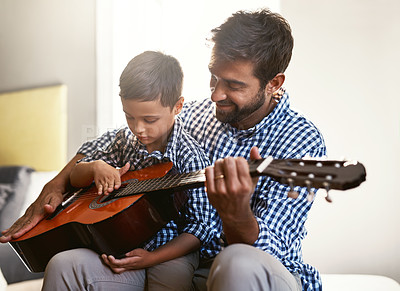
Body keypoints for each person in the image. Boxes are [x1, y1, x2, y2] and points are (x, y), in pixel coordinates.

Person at [1, 8, 327, 291]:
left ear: (274, 83)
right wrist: (59, 183)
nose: (215, 95)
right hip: (170, 259)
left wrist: (236, 214)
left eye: (234, 85)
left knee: (237, 262)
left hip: (243, 267)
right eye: (213, 78)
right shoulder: (192, 113)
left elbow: (275, 251)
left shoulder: (301, 140)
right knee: (66, 265)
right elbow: (105, 144)